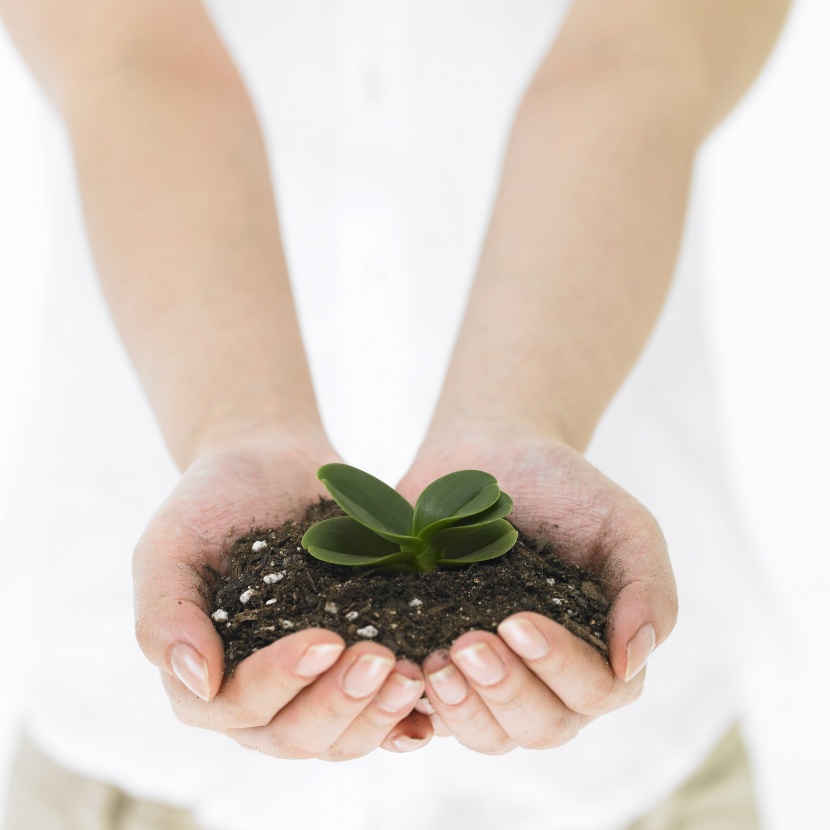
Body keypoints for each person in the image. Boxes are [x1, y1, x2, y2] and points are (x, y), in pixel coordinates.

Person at [0, 0, 790, 828]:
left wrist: (526, 418)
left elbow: (647, 48)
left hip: (627, 780)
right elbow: (130, 54)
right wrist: (237, 426)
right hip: (137, 764)